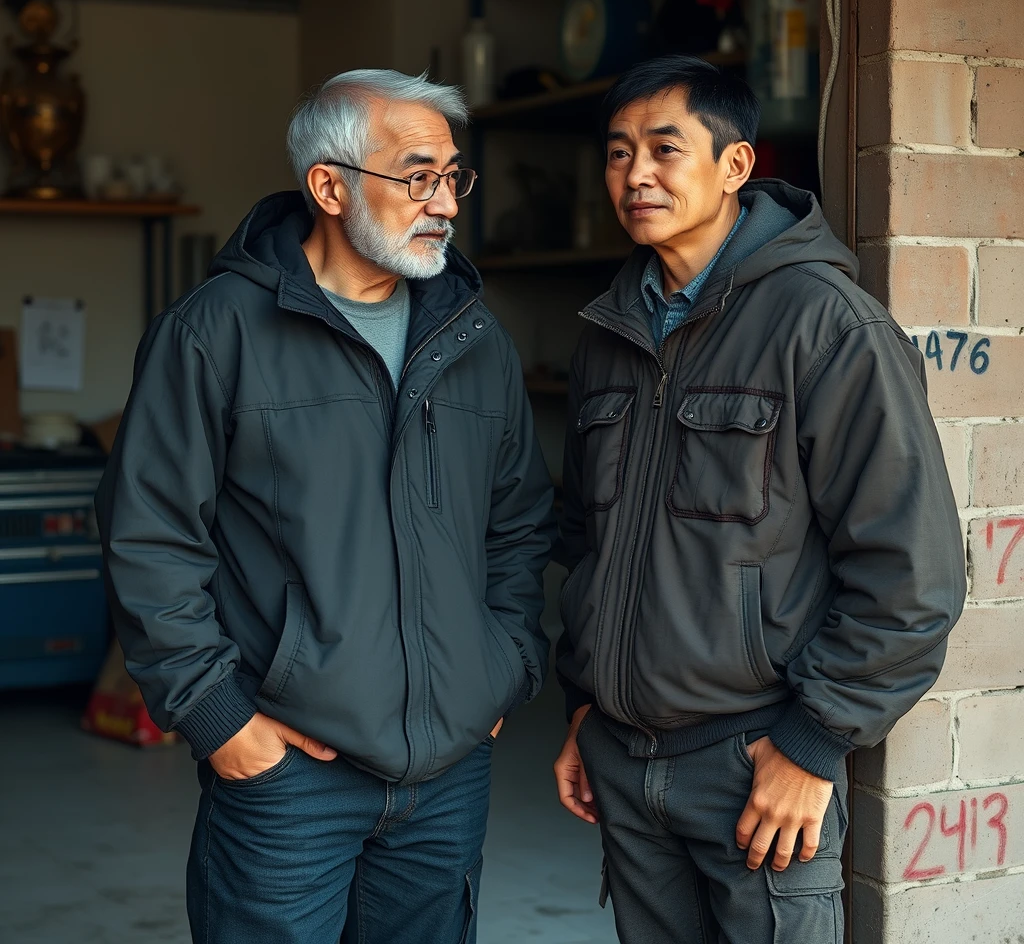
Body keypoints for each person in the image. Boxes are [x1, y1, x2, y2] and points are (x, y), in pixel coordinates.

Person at [96, 69, 556, 944]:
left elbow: (520, 522)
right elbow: (149, 538)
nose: (446, 203)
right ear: (329, 186)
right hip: (288, 775)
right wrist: (219, 719)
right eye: (417, 175)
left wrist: (504, 665)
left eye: (454, 176)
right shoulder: (214, 332)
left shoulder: (474, 339)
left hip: (449, 773)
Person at [552, 55, 965, 943]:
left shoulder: (824, 325)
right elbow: (585, 542)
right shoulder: (608, 335)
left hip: (753, 769)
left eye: (667, 149)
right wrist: (586, 702)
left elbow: (913, 573)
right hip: (624, 764)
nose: (638, 175)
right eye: (619, 153)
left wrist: (816, 744)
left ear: (736, 166)